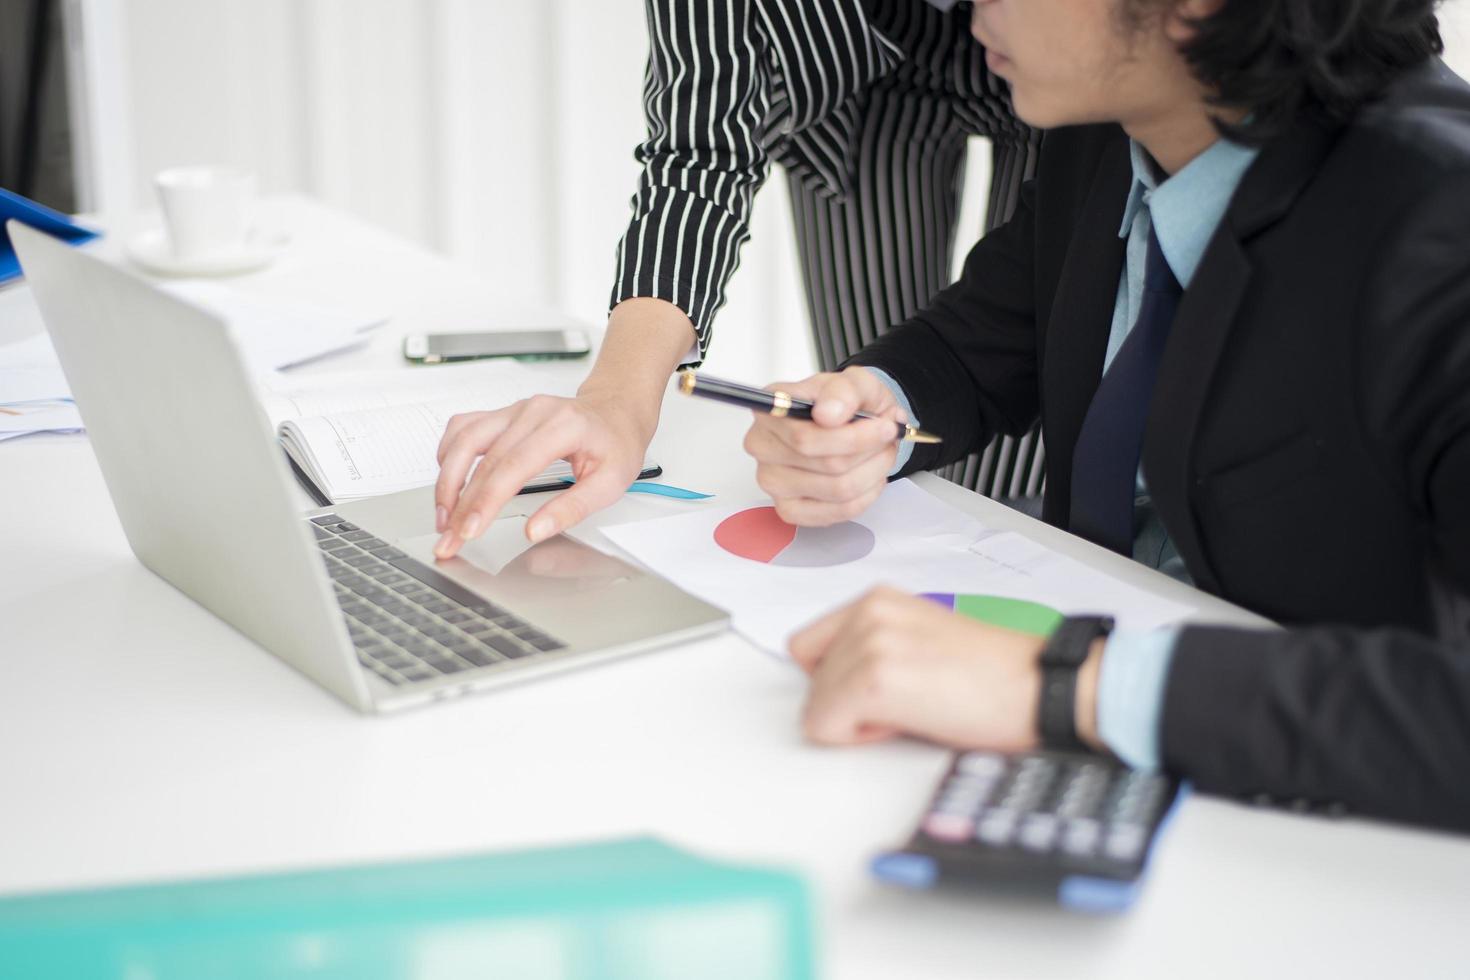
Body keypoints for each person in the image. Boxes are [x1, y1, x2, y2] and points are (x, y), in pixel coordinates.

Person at [743, 0, 1470, 831]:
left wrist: (1064, 685)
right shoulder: (1115, 128)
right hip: (1076, 749)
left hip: (1308, 825)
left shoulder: (1441, 222)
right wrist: (877, 403)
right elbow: (989, 331)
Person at [431, 0, 1044, 561]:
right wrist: (615, 401)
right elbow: (700, 152)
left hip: (1071, 92)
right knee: (863, 432)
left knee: (1010, 459)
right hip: (858, 86)